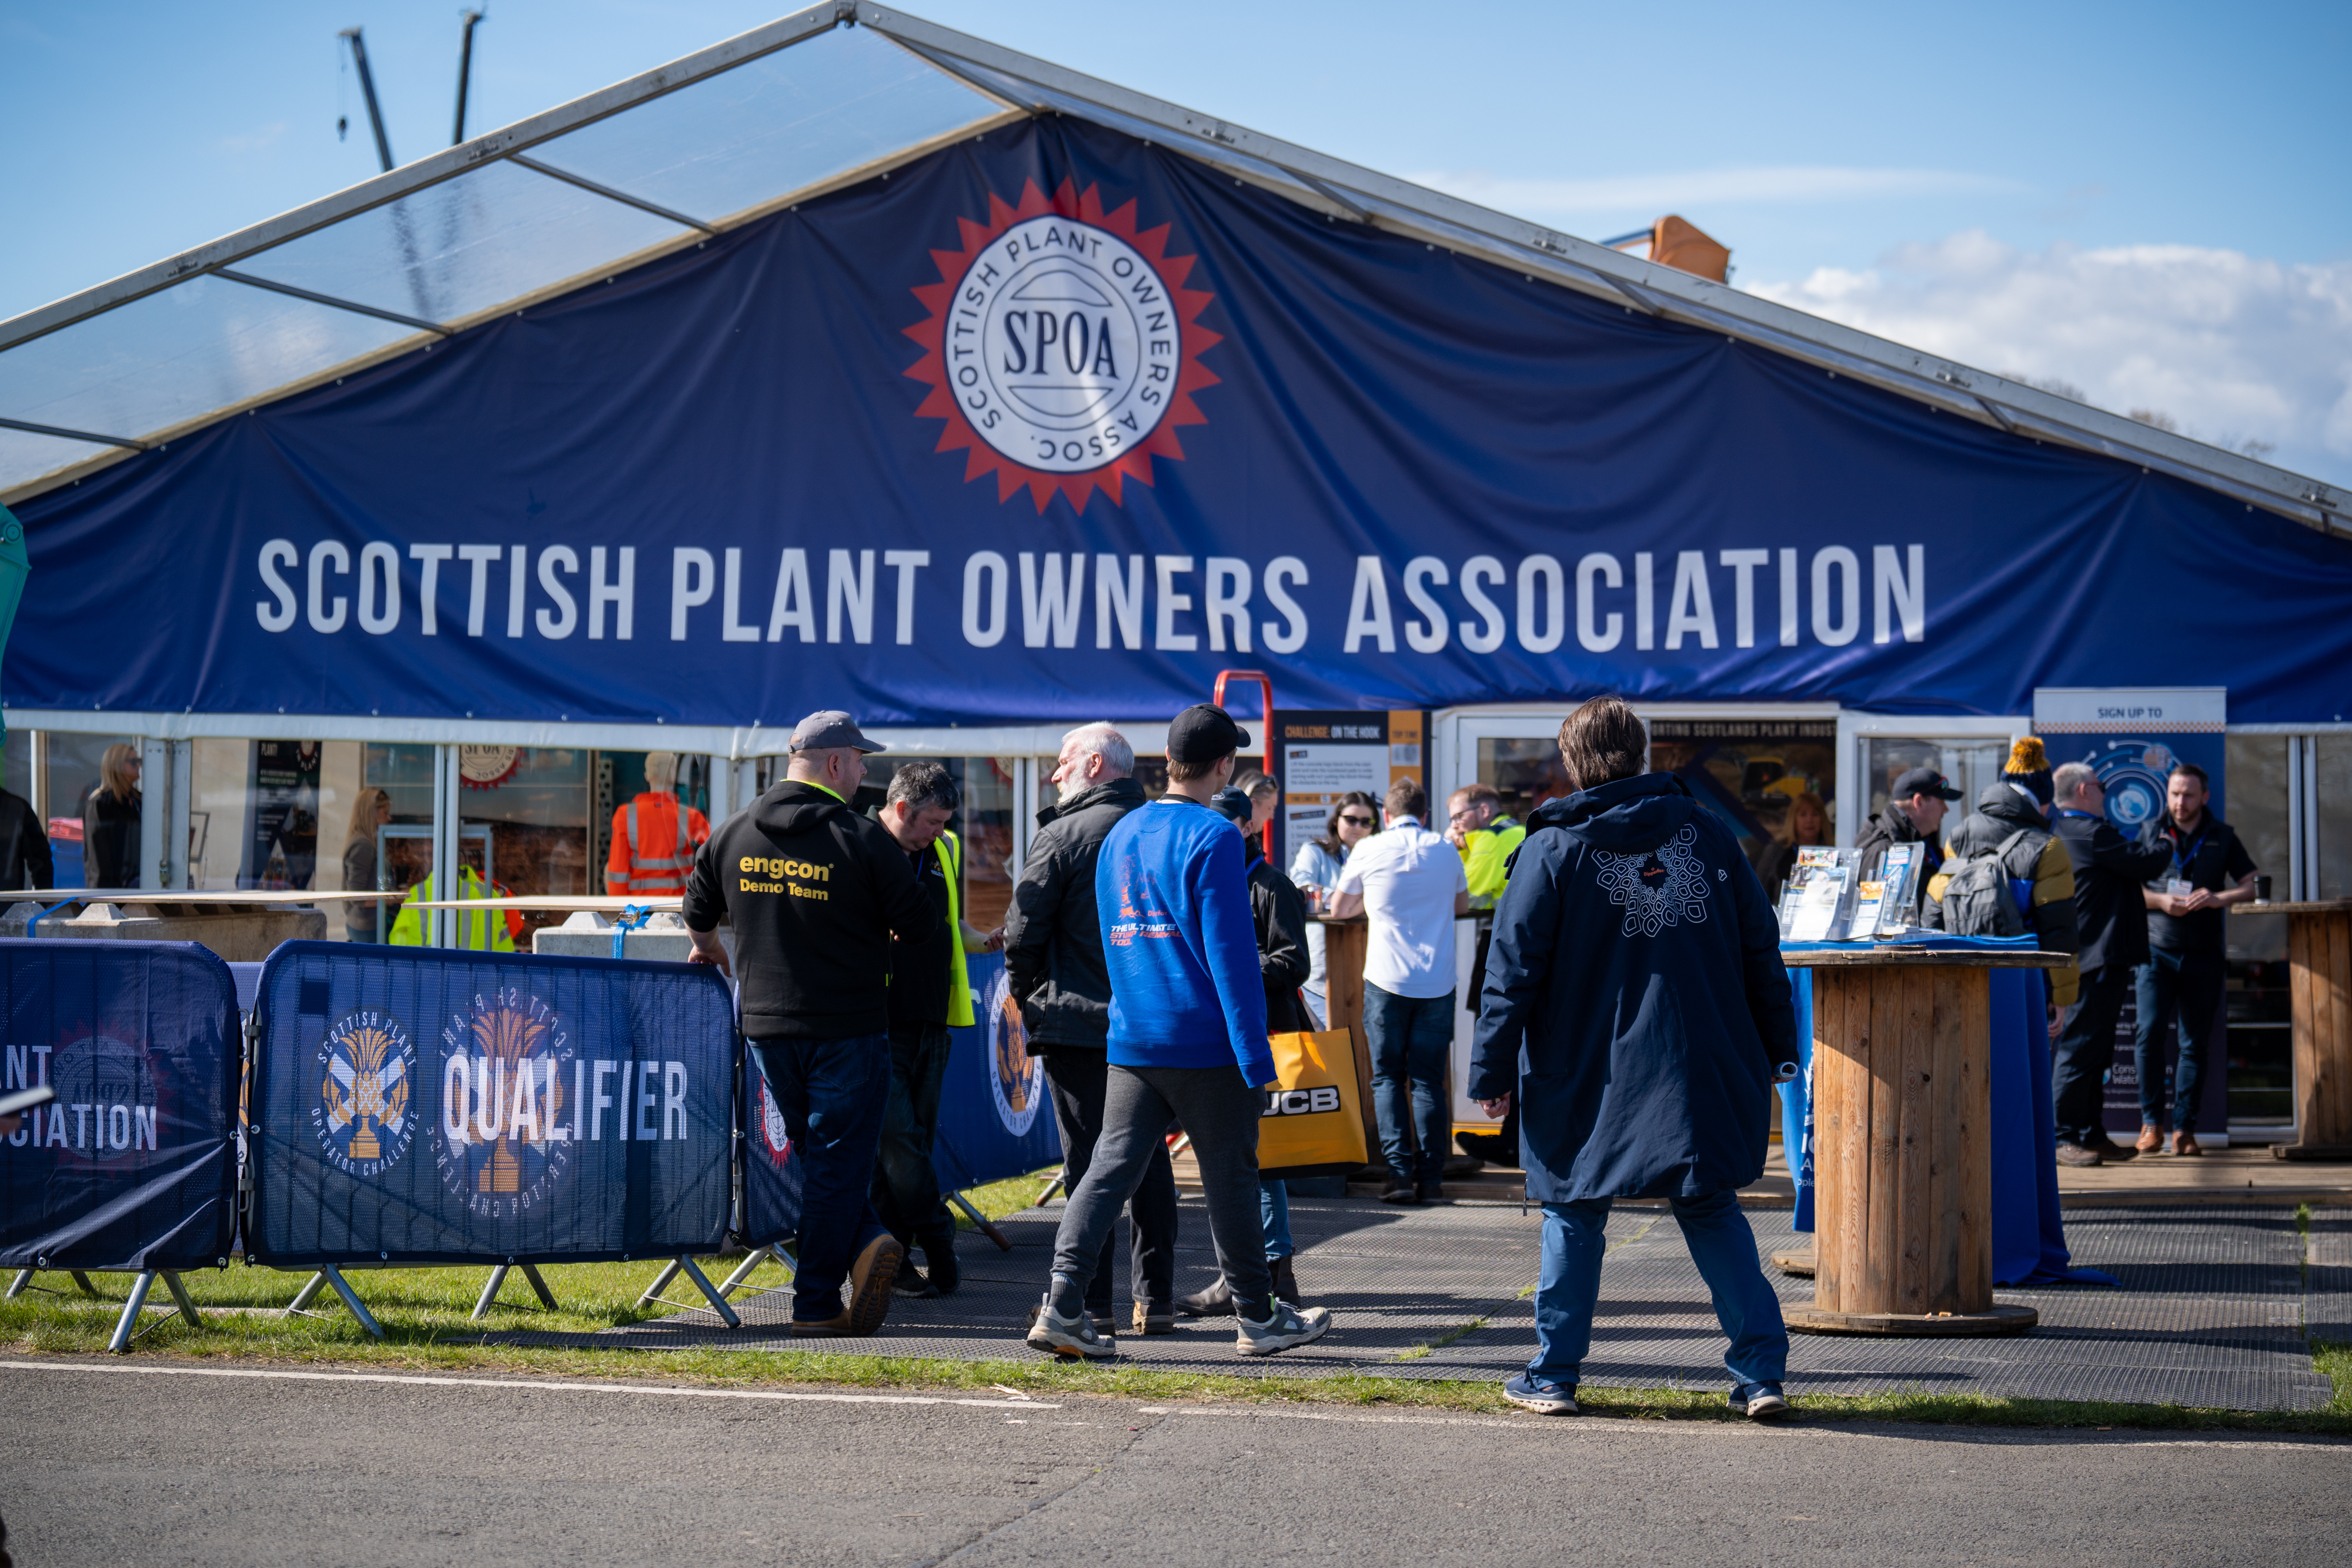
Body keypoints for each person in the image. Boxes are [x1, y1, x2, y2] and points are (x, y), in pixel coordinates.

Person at [1471, 696, 1799, 1422]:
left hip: (1585, 1070)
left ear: (1572, 763)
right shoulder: (1709, 834)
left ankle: (1553, 1377)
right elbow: (1759, 949)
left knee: (1573, 1214)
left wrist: (1490, 1073)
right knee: (1710, 1207)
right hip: (1696, 1062)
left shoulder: (1552, 849)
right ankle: (1761, 1374)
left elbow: (1511, 973)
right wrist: (1781, 1047)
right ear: (1642, 754)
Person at [1025, 703, 1331, 1360]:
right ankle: (1258, 1317)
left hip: (1133, 1037)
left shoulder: (1122, 833)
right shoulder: (1216, 835)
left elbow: (1115, 942)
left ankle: (1061, 1304)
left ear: (1168, 761)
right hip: (1203, 1041)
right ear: (1224, 768)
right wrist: (1256, 1058)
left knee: (1105, 1172)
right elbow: (1231, 958)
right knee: (1232, 1178)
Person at [684, 710, 936, 1335]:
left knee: (824, 1164)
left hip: (768, 1029)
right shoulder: (863, 837)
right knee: (836, 1164)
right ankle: (817, 1301)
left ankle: (868, 1244)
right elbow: (920, 926)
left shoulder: (734, 832)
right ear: (833, 763)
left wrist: (711, 949)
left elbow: (695, 909)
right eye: (859, 760)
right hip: (847, 1027)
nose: (862, 773)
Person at [1001, 721, 1181, 1336]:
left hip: (1079, 1023)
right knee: (1147, 1158)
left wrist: (1031, 999)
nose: (1054, 774)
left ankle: (1091, 1302)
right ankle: (1155, 1301)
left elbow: (1022, 936)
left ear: (1097, 765)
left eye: (1062, 761)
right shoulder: (1165, 830)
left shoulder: (1062, 834)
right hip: (1155, 1023)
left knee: (1089, 1165)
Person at [1178, 784, 1315, 1318]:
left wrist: (1236, 968)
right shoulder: (1206, 877)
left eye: (1227, 826)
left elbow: (1294, 962)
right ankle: (1255, 1276)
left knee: (1260, 1162)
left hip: (1263, 1035)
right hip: (1211, 1036)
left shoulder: (1271, 885)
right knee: (1239, 1162)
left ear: (1248, 826)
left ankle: (1269, 1274)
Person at [871, 761, 1002, 1296]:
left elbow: (951, 923)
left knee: (911, 1147)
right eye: (932, 821)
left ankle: (896, 1261)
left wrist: (982, 940)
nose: (941, 833)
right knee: (899, 1146)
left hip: (931, 1019)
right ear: (901, 808)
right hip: (877, 1023)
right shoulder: (863, 845)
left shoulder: (941, 850)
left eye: (946, 821)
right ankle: (938, 1241)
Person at [1329, 777, 1470, 1205]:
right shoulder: (1446, 851)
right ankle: (1431, 1179)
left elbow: (1339, 908)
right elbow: (1461, 906)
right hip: (1437, 981)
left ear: (1386, 815)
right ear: (1425, 814)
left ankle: (1399, 1176)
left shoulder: (1368, 849)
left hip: (1387, 980)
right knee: (1428, 1081)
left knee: (1388, 1077)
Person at [2049, 761, 2174, 1167]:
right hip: (2095, 959)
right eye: (2101, 787)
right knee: (2080, 1049)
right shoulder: (2089, 833)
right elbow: (2146, 863)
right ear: (2085, 790)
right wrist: (2166, 839)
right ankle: (2063, 1136)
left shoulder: (2070, 831)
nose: (2107, 794)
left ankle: (2090, 1132)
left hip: (2101, 957)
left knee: (2097, 1052)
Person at [2133, 762, 2258, 1157]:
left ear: (2204, 797)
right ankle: (2151, 1125)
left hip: (2203, 955)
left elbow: (2253, 883)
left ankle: (2184, 1130)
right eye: (2173, 793)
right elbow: (2129, 889)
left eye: (2187, 794)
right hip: (2155, 952)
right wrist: (2160, 901)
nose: (2179, 802)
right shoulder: (2151, 831)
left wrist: (2219, 898)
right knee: (2148, 1034)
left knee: (2194, 1044)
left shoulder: (2222, 836)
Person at [1923, 744, 2080, 1035]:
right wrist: (2063, 997)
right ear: (2043, 798)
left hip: (1959, 979)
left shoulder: (1958, 835)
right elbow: (2059, 931)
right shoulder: (2047, 847)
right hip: (2025, 986)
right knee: (2022, 1068)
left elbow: (1935, 908)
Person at [1447, 783, 1525, 1166]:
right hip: (1522, 940)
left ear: (1482, 811)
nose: (1456, 825)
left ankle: (1512, 1139)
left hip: (1503, 939)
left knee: (1495, 1026)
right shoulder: (1517, 830)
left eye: (1458, 816)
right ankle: (1516, 1135)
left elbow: (1469, 891)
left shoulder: (1491, 836)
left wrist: (1458, 850)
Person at [1289, 791, 1377, 1028]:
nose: (1358, 827)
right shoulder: (1315, 851)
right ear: (1336, 819)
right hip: (1323, 964)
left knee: (1364, 1046)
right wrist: (1351, 899)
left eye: (1366, 821)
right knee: (1329, 1043)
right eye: (1351, 819)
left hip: (1369, 963)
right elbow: (1302, 888)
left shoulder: (1380, 857)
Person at [605, 751, 712, 896]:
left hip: (638, 909)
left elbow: (618, 871)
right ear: (673, 776)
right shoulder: (691, 817)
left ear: (647, 776)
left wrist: (620, 911)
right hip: (678, 906)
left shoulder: (625, 815)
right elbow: (714, 858)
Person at [1853, 765, 1960, 892]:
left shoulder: (1922, 840)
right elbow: (1872, 908)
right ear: (1919, 802)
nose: (1946, 809)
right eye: (1941, 802)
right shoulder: (1881, 850)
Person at [386, 861, 524, 950]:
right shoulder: (484, 893)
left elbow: (397, 939)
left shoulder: (418, 892)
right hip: (469, 972)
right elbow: (502, 942)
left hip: (425, 971)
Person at [82, 742, 142, 888]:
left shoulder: (139, 801)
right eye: (134, 762)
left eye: (139, 761)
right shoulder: (100, 803)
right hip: (111, 889)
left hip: (138, 885)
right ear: (118, 766)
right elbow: (97, 858)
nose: (139, 766)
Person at [1758, 790, 1831, 904]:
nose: (1809, 820)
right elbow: (1758, 894)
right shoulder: (1775, 851)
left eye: (1815, 814)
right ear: (1793, 819)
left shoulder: (1832, 853)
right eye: (1803, 815)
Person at [340, 788, 394, 942]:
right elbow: (357, 897)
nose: (389, 818)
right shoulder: (363, 845)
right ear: (372, 813)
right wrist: (396, 898)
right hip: (368, 927)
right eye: (385, 813)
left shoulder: (365, 841)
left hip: (365, 925)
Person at [0, 769, 54, 893]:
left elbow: (41, 859)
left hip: (7, 904)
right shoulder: (17, 808)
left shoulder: (17, 808)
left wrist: (44, 903)